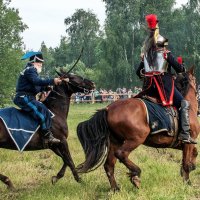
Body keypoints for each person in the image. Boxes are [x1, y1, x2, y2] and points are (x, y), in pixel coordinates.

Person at [136, 14, 196, 144]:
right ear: (163, 44)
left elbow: (138, 72)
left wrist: (147, 73)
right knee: (184, 103)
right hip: (164, 88)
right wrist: (181, 66)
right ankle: (185, 134)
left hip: (149, 89)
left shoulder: (145, 55)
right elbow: (180, 69)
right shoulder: (165, 54)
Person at [13, 51, 62, 145]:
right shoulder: (30, 69)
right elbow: (36, 81)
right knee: (42, 112)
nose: (41, 65)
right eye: (40, 63)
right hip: (24, 97)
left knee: (44, 110)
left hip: (27, 97)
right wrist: (52, 80)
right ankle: (47, 137)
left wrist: (46, 88)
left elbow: (37, 86)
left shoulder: (31, 70)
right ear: (34, 61)